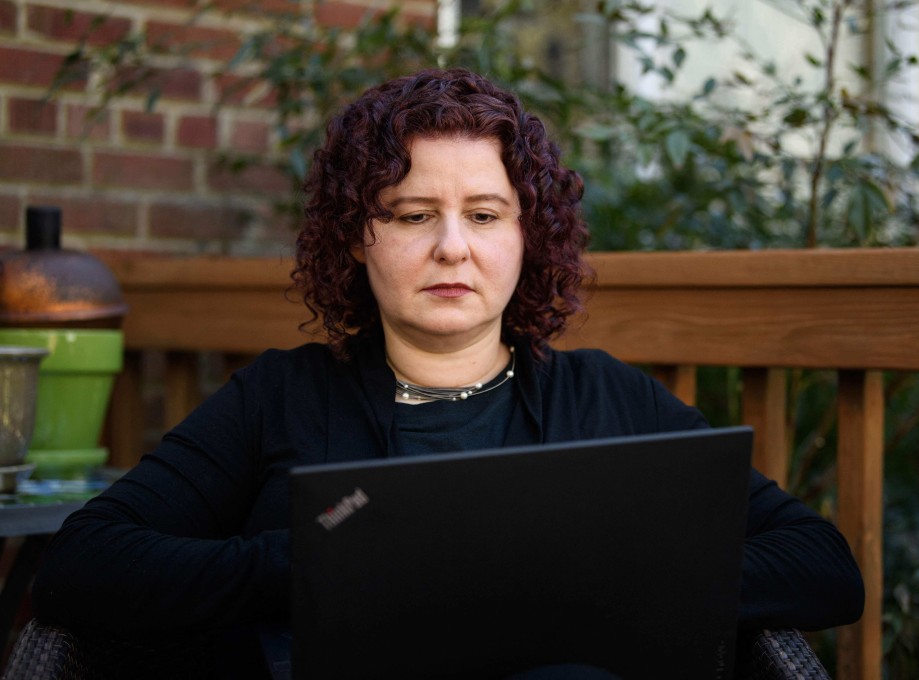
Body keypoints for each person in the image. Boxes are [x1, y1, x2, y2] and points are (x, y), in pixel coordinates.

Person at [32, 68, 863, 677]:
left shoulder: (608, 399)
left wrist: (586, 578)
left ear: (525, 237)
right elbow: (83, 565)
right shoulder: (279, 398)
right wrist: (318, 567)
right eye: (413, 214)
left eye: (485, 215)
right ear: (361, 238)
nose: (452, 248)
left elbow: (821, 565)